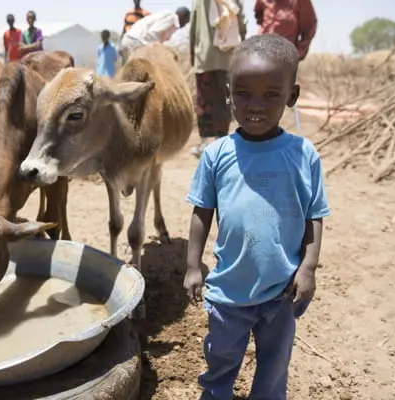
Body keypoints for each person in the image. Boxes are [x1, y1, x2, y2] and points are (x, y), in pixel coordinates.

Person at [184, 33, 330, 400]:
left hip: (282, 290)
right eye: (244, 93)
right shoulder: (217, 154)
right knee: (221, 357)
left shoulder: (303, 154)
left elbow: (315, 215)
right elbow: (202, 211)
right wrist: (192, 265)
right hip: (228, 290)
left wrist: (308, 268)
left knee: (275, 362)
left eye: (271, 95)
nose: (255, 106)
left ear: (291, 96)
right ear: (229, 93)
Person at [189, 0, 247, 157]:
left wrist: (193, 56)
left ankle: (205, 143)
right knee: (226, 100)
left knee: (205, 101)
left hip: (204, 58)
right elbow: (241, 24)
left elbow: (193, 27)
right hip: (228, 59)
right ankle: (222, 138)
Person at [119, 7, 190, 60]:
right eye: (186, 21)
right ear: (183, 16)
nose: (185, 24)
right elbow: (153, 33)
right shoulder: (172, 18)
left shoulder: (168, 17)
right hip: (135, 42)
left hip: (131, 41)